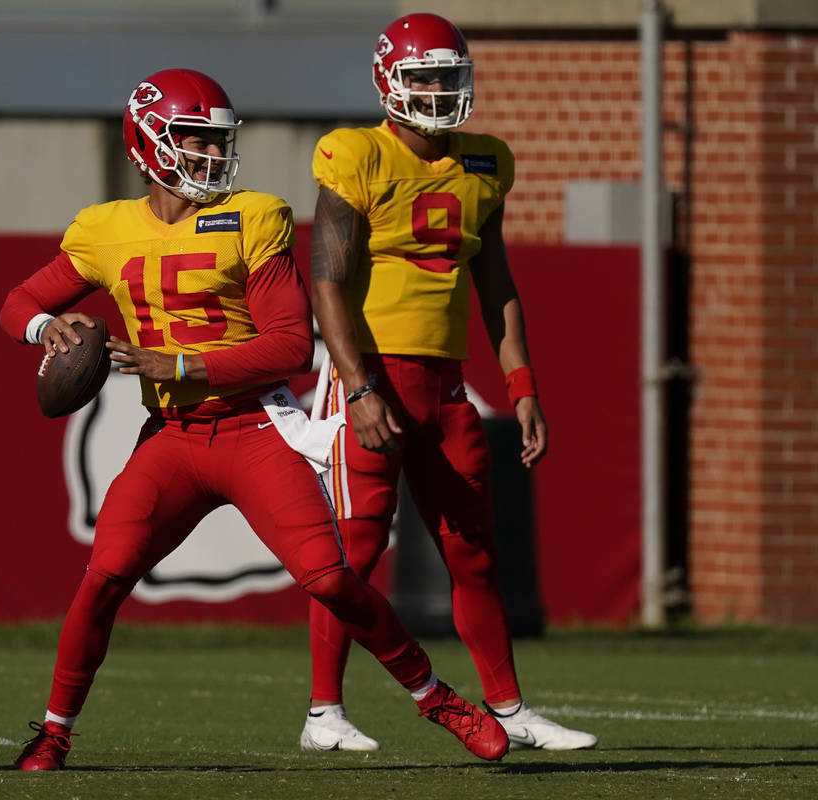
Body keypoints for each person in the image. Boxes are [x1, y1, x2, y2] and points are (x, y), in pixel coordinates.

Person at [0, 67, 510, 771]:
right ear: (148, 142)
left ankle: (437, 698)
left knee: (331, 579)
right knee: (105, 576)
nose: (213, 157)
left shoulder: (254, 216)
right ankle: (53, 733)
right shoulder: (103, 229)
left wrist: (175, 366)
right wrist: (44, 331)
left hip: (252, 429)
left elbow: (290, 347)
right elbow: (18, 300)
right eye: (196, 141)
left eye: (219, 143)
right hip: (173, 441)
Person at [300, 14, 598, 752]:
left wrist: (522, 382)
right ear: (388, 81)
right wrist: (359, 387)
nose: (437, 91)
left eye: (447, 77)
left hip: (445, 382)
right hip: (371, 376)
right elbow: (327, 281)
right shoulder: (355, 153)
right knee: (354, 553)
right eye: (423, 77)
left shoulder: (486, 162)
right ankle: (323, 712)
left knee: (474, 549)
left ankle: (509, 706)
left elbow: (495, 279)